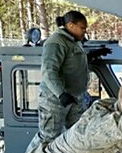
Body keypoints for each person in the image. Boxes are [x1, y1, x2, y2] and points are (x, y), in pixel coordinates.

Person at [36, 11, 90, 143]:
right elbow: (49, 71)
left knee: (77, 136)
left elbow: (71, 60)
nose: (84, 32)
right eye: (82, 28)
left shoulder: (74, 41)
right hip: (55, 99)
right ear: (71, 25)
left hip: (74, 97)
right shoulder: (56, 42)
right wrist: (61, 94)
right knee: (49, 138)